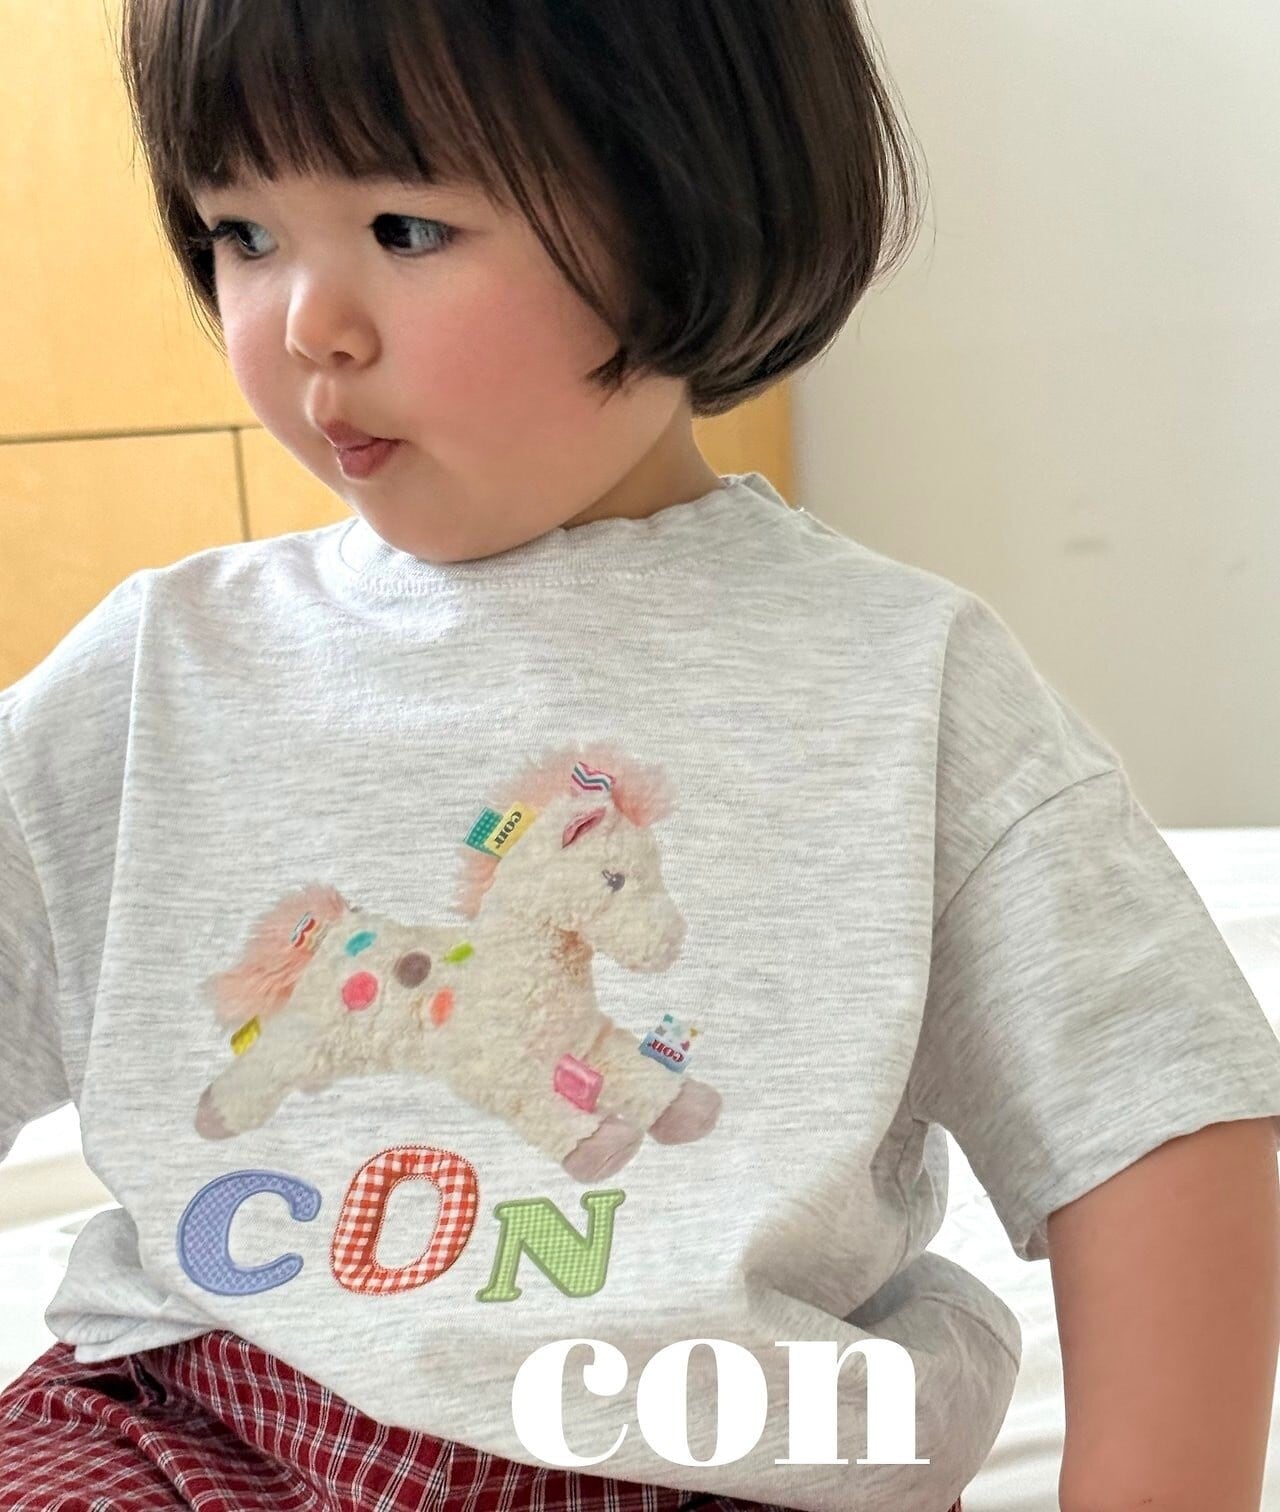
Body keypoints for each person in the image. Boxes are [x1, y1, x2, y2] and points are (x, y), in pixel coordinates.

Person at [1, 1, 1277, 1509]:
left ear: (685, 205)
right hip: (207, 1419)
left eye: (406, 228)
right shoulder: (156, 670)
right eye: (243, 233)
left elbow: (1157, 1125)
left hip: (694, 1450)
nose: (304, 325)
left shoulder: (898, 683)